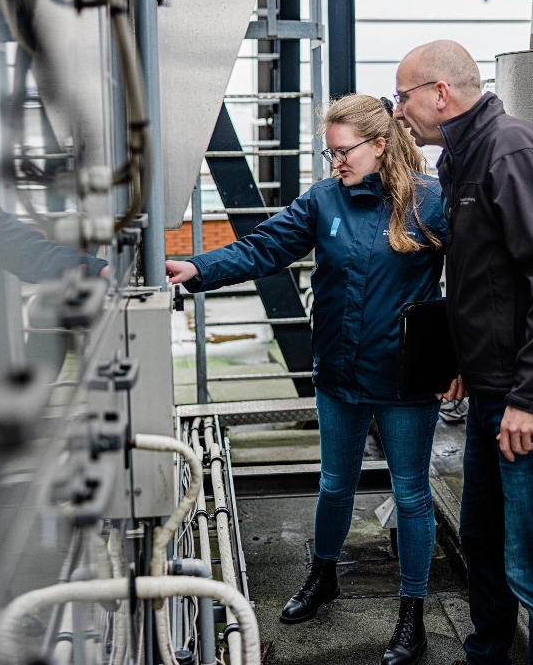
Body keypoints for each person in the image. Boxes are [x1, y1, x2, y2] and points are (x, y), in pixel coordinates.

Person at [167, 94, 450, 665]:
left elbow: (472, 283)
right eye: (329, 153)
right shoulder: (325, 200)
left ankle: (411, 614)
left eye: (343, 152)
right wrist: (199, 269)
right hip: (339, 372)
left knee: (412, 494)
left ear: (380, 143)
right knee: (333, 484)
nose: (336, 163)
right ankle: (324, 577)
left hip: (405, 380)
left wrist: (462, 362)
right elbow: (266, 247)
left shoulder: (431, 203)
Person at [393, 41, 533, 665]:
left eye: (403, 98)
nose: (399, 112)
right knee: (482, 541)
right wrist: (462, 358)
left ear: (440, 94)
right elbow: (485, 280)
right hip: (491, 391)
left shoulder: (511, 151)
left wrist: (531, 399)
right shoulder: (463, 158)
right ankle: (486, 654)